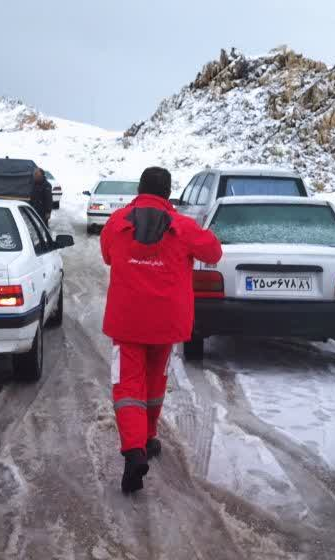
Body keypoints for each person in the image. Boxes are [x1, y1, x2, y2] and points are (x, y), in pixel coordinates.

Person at [100, 167, 222, 494]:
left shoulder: (118, 222)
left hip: (127, 321)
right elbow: (213, 252)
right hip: (166, 322)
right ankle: (149, 437)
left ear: (140, 188)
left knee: (128, 386)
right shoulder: (182, 226)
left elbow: (108, 255)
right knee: (155, 383)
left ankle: (134, 451)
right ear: (168, 193)